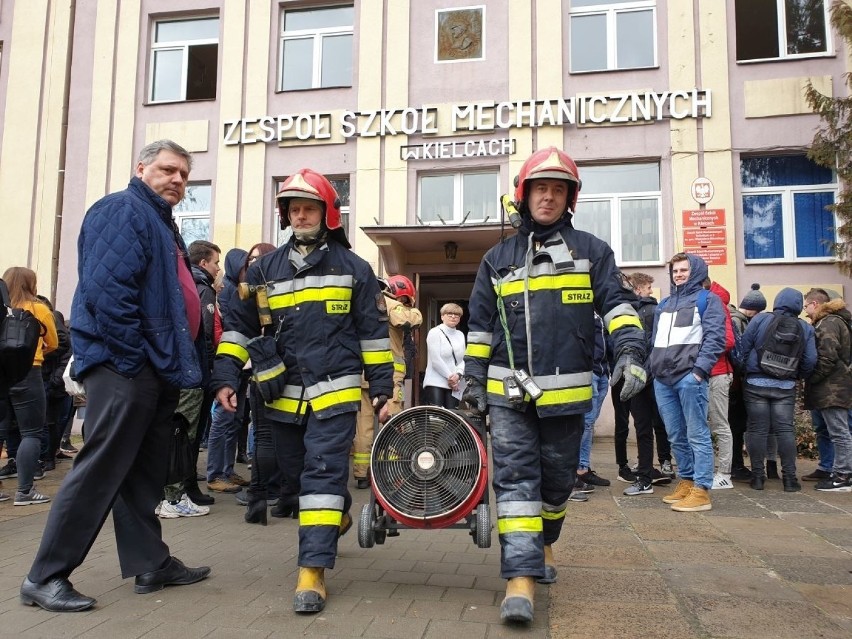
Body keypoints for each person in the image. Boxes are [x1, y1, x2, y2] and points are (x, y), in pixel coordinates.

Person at [20, 140, 211, 612]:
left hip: (154, 366)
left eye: (184, 176)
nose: (177, 181)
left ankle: (151, 562)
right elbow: (109, 294)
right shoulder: (121, 209)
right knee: (101, 467)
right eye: (168, 170)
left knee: (141, 472)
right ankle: (44, 576)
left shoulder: (161, 223)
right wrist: (130, 361)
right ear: (141, 167)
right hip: (125, 365)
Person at [462, 147, 647, 624]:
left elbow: (618, 306)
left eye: (557, 189)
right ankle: (518, 580)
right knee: (516, 481)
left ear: (570, 199)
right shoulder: (497, 259)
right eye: (540, 188)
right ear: (523, 195)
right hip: (510, 396)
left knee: (558, 484)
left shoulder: (591, 251)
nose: (548, 197)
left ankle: (545, 544)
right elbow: (479, 328)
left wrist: (629, 351)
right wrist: (473, 382)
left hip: (567, 398)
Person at [211, 168, 393, 613]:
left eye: (309, 207)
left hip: (335, 393)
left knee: (323, 474)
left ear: (328, 213)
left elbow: (373, 334)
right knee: (293, 481)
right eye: (294, 208)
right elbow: (238, 328)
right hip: (281, 395)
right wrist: (225, 377)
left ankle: (311, 571)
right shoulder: (263, 271)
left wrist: (384, 389)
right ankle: (337, 513)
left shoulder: (355, 268)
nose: (300, 215)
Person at [647, 253, 726, 513]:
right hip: (663, 379)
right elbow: (655, 340)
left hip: (689, 378)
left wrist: (699, 372)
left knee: (697, 434)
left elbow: (715, 338)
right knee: (676, 435)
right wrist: (653, 368)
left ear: (696, 272)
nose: (679, 274)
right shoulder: (664, 304)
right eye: (675, 270)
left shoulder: (708, 300)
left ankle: (701, 490)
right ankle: (687, 480)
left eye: (684, 270)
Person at [157, 239, 222, 517]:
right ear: (203, 262)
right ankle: (173, 497)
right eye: (216, 262)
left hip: (178, 371)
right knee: (183, 436)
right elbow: (203, 333)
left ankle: (175, 493)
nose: (219, 269)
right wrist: (205, 371)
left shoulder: (180, 284)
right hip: (192, 373)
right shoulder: (203, 289)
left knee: (177, 433)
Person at [740, 287, 816, 491]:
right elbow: (810, 360)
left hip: (756, 382)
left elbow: (744, 346)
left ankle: (757, 478)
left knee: (757, 429)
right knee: (785, 430)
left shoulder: (760, 320)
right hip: (786, 385)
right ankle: (790, 480)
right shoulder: (805, 327)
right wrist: (797, 375)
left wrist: (746, 370)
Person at [353, 275, 422, 489]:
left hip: (363, 374)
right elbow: (409, 320)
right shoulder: (389, 303)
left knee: (363, 426)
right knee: (392, 424)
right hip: (388, 375)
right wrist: (411, 310)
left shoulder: (361, 303)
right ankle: (391, 473)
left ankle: (362, 474)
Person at [0, 267, 58, 505]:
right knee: (31, 432)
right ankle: (24, 491)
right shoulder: (38, 309)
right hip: (28, 372)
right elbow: (53, 343)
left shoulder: (1, 309)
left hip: (1, 374)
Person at [617, 272, 673, 495]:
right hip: (650, 376)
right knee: (656, 425)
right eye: (649, 287)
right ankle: (650, 471)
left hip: (641, 376)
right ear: (638, 289)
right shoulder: (653, 310)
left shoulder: (642, 312)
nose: (651, 291)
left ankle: (645, 477)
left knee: (644, 428)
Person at [803, 288, 852, 492]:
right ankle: (828, 467)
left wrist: (811, 378)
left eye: (806, 306)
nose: (805, 311)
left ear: (815, 304)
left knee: (839, 432)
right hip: (830, 388)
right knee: (825, 429)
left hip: (833, 389)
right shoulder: (829, 322)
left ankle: (843, 475)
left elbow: (827, 357)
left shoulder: (829, 323)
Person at [728, 283, 767, 481]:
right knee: (736, 426)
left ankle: (734, 465)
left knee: (735, 426)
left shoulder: (736, 318)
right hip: (735, 383)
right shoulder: (739, 321)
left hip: (731, 382)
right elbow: (739, 354)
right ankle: (736, 466)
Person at [704, 279, 736, 491]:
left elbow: (728, 340)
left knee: (720, 424)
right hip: (704, 374)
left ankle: (724, 474)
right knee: (701, 426)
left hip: (717, 373)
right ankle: (705, 471)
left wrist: (699, 348)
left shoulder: (716, 304)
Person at [575, 313, 611, 490]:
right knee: (585, 424)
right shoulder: (583, 306)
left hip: (603, 371)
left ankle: (583, 468)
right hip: (590, 371)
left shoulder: (601, 310)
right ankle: (578, 471)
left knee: (588, 424)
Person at [422, 302, 466, 408]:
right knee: (437, 418)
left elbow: (462, 359)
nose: (453, 316)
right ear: (442, 316)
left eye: (457, 315)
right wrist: (450, 377)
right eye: (449, 314)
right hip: (435, 382)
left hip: (454, 384)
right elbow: (435, 359)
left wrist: (458, 375)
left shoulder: (460, 335)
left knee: (453, 417)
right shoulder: (435, 332)